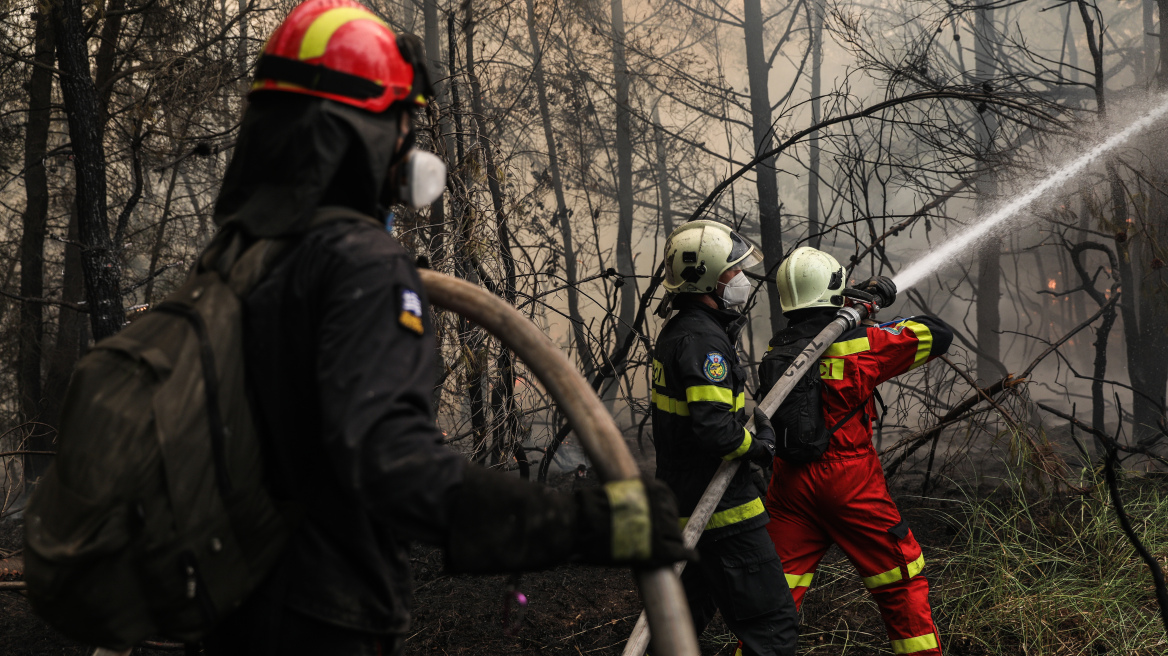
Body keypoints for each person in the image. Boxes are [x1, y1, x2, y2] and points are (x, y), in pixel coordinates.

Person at [202, 2, 688, 654]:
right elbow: (394, 468)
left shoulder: (235, 263)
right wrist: (593, 522)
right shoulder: (359, 266)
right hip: (320, 626)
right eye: (403, 121)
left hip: (225, 615)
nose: (411, 143)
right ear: (362, 132)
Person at [758, 247, 953, 656]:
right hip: (849, 482)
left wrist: (849, 308)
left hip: (788, 485)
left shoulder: (777, 352)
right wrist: (870, 305)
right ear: (834, 289)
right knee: (901, 581)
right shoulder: (860, 344)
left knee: (773, 597)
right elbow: (937, 333)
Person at [652, 220, 800, 656]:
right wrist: (760, 447)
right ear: (711, 281)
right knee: (772, 626)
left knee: (679, 629)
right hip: (721, 512)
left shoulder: (682, 332)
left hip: (685, 505)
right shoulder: (702, 342)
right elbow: (715, 429)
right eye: (734, 272)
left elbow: (707, 412)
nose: (742, 280)